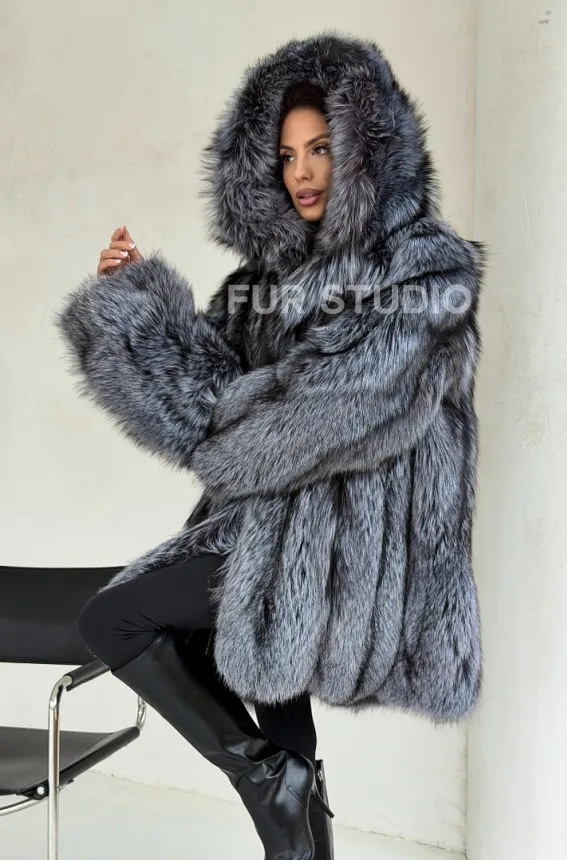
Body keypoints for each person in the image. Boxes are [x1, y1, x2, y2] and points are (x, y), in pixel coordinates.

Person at [54, 31, 485, 860]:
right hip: (274, 531)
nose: (302, 173)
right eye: (286, 155)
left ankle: (265, 779)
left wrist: (235, 424)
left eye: (321, 148)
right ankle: (288, 803)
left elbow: (328, 414)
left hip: (356, 555)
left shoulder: (424, 274)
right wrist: (136, 308)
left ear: (368, 151)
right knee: (272, 700)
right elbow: (204, 397)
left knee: (118, 619)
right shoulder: (263, 283)